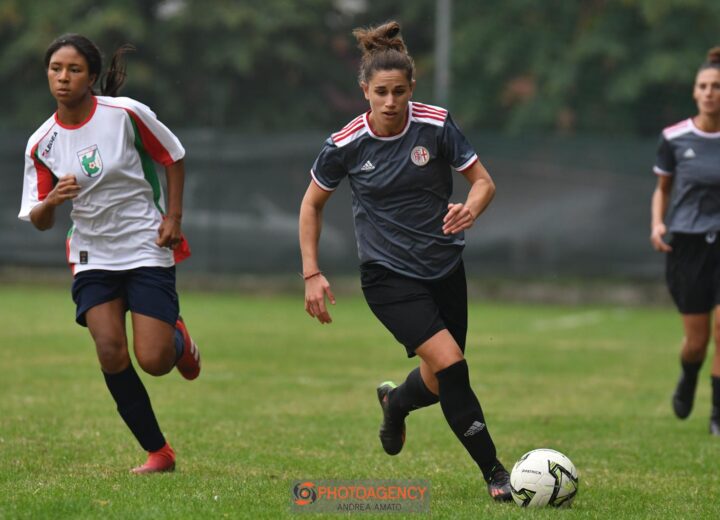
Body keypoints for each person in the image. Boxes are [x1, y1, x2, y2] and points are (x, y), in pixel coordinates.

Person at [299, 21, 511, 501]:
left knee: (438, 380)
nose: (391, 101)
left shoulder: (435, 125)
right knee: (453, 366)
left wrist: (469, 208)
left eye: (399, 91)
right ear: (365, 92)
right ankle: (496, 474)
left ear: (412, 88)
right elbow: (311, 204)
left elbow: (484, 182)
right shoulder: (346, 144)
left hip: (444, 268)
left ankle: (395, 404)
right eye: (381, 92)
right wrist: (311, 272)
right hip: (387, 276)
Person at [18, 34, 202, 473]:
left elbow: (173, 156)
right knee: (109, 351)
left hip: (144, 242)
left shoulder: (126, 114)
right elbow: (38, 218)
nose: (63, 78)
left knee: (155, 360)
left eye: (74, 69)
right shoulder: (40, 143)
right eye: (55, 69)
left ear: (92, 77)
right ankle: (159, 452)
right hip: (92, 254)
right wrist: (52, 202)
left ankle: (179, 341)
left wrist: (173, 218)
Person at [651, 46, 720, 436]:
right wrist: (658, 225)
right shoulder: (675, 138)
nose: (710, 92)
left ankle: (717, 415)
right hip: (688, 245)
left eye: (716, 86)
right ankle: (689, 374)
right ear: (695, 92)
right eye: (703, 86)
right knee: (697, 341)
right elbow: (662, 189)